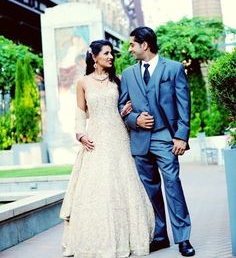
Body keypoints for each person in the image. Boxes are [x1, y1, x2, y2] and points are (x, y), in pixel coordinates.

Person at [60, 39, 154, 258]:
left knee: (123, 183)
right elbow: (80, 112)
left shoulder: (118, 81)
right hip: (95, 140)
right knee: (97, 186)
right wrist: (80, 133)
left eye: (112, 53)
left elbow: (122, 108)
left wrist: (125, 112)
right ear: (94, 57)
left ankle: (128, 239)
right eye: (106, 53)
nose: (111, 57)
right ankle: (96, 241)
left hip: (118, 137)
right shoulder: (83, 82)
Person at [118, 27, 195, 257]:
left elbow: (184, 104)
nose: (130, 49)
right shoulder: (129, 73)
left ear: (145, 45)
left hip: (165, 138)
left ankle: (183, 238)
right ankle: (160, 236)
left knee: (172, 185)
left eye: (132, 44)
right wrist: (135, 119)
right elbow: (121, 108)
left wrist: (181, 135)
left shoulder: (173, 68)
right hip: (140, 141)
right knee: (150, 191)